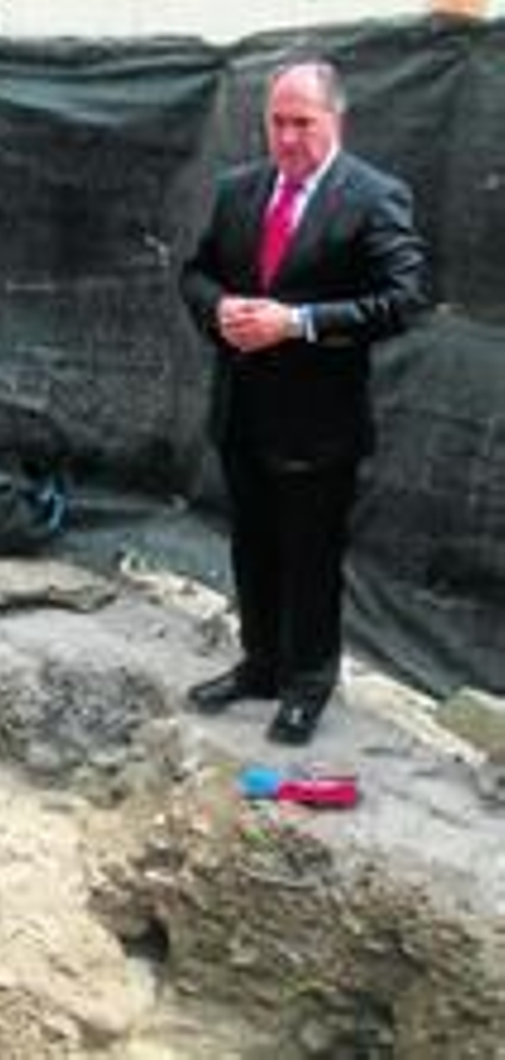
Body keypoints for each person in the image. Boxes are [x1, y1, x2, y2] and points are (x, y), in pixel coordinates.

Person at [179, 59, 430, 745]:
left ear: (335, 121)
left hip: (320, 424)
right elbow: (195, 272)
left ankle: (308, 683)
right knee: (252, 548)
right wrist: (220, 308)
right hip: (242, 410)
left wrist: (300, 322)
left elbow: (404, 299)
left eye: (302, 124)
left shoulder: (374, 198)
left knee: (310, 556)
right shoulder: (238, 190)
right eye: (277, 122)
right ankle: (260, 665)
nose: (287, 139)